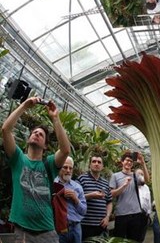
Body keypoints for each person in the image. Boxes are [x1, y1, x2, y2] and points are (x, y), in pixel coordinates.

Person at [1, 97, 71, 243]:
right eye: (35, 133)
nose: (37, 134)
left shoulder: (49, 164)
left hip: (47, 231)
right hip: (21, 230)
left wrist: (55, 117)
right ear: (28, 139)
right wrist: (25, 106)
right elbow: (6, 130)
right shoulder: (18, 159)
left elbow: (65, 150)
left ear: (45, 146)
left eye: (41, 135)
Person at [110, 151, 151, 242]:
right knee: (119, 240)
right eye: (127, 160)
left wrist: (143, 163)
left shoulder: (135, 176)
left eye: (131, 161)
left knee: (133, 240)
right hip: (121, 214)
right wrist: (124, 185)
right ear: (122, 162)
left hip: (136, 214)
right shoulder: (115, 176)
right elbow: (111, 193)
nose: (129, 162)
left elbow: (147, 181)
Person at [77, 156, 113, 240]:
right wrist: (90, 195)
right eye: (94, 161)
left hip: (101, 225)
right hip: (85, 225)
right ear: (89, 165)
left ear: (102, 166)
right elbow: (75, 198)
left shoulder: (105, 183)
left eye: (99, 162)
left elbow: (109, 202)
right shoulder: (81, 179)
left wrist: (107, 217)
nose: (96, 164)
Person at [54, 156, 87, 243]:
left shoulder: (77, 187)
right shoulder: (52, 184)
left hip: (75, 227)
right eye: (65, 167)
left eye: (70, 168)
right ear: (59, 167)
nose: (68, 170)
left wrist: (76, 199)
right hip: (58, 228)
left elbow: (83, 211)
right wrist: (58, 195)